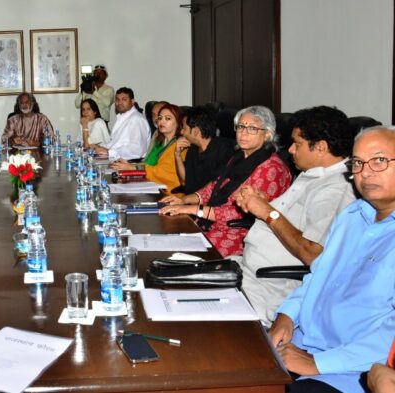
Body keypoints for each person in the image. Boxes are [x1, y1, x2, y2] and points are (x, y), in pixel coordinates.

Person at [268, 126, 395, 393]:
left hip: (353, 369)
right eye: (358, 163)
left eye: (379, 160)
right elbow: (318, 275)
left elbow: (391, 339)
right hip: (300, 342)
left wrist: (318, 363)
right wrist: (287, 316)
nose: (365, 172)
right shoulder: (352, 215)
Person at [230, 106, 356, 325]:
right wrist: (260, 203)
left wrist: (268, 212)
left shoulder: (335, 190)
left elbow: (313, 254)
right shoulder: (311, 174)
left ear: (321, 147)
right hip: (246, 270)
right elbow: (288, 220)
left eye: (297, 144)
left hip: (271, 287)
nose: (290, 150)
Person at [159, 106, 292, 257]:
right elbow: (214, 186)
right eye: (241, 127)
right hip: (214, 223)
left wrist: (195, 209)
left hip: (241, 235)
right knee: (166, 233)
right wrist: (185, 200)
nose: (243, 133)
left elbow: (240, 213)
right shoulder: (239, 157)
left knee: (177, 253)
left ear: (267, 134)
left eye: (252, 128)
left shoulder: (272, 169)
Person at [111, 103, 186, 192]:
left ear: (178, 122)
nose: (161, 122)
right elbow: (149, 164)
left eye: (168, 119)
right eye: (160, 118)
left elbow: (164, 173)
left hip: (170, 192)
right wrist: (130, 165)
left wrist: (133, 168)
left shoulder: (180, 145)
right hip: (153, 185)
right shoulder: (160, 141)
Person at [172, 106, 236, 194]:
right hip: (192, 202)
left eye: (184, 128)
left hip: (208, 204)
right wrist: (177, 155)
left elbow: (216, 184)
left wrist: (192, 199)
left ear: (196, 131)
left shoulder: (224, 149)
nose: (182, 132)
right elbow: (184, 182)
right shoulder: (192, 149)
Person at [92, 87, 151, 160]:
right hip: (118, 159)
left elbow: (137, 150)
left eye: (124, 99)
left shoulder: (136, 119)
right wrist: (100, 147)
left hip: (130, 164)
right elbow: (115, 143)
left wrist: (109, 152)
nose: (119, 103)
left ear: (132, 101)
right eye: (117, 99)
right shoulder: (124, 117)